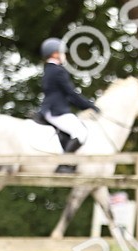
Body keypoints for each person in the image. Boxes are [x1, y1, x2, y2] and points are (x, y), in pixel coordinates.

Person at [39, 38, 99, 168]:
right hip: (56, 111)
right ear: (55, 54)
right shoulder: (58, 71)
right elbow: (71, 94)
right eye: (62, 52)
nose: (64, 55)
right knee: (81, 132)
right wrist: (90, 106)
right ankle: (63, 165)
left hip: (51, 108)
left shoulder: (48, 69)